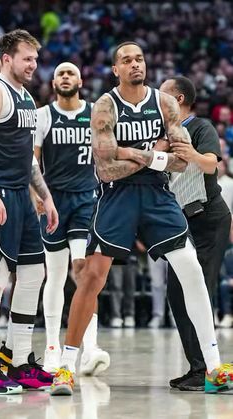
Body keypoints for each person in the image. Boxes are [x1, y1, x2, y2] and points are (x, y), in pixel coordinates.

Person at [50, 42, 233, 396]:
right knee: (92, 277)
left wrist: (128, 152)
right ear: (115, 69)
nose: (135, 64)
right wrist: (151, 152)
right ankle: (66, 367)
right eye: (126, 60)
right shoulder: (105, 105)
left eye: (140, 59)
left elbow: (181, 160)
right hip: (117, 196)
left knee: (191, 268)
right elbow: (104, 167)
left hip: (157, 194)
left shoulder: (164, 103)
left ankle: (213, 368)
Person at [34, 62, 110, 375]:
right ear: (53, 83)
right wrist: (36, 195)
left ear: (81, 80)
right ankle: (52, 347)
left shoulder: (95, 113)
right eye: (60, 73)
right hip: (53, 203)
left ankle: (88, 348)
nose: (66, 76)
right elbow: (32, 160)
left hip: (85, 201)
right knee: (54, 275)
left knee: (84, 273)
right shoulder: (42, 116)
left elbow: (108, 155)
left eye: (71, 72)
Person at [159, 76, 232, 391]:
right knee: (176, 293)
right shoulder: (161, 134)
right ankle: (198, 367)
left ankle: (207, 369)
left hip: (209, 220)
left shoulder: (200, 127)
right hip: (182, 224)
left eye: (161, 94)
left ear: (177, 97)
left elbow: (211, 165)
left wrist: (187, 152)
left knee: (201, 292)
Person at [0, 29, 59, 394]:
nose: (33, 65)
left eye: (36, 59)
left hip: (22, 195)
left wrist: (46, 197)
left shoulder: (27, 98)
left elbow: (27, 160)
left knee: (34, 275)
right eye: (26, 58)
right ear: (7, 58)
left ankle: (19, 359)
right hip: (1, 194)